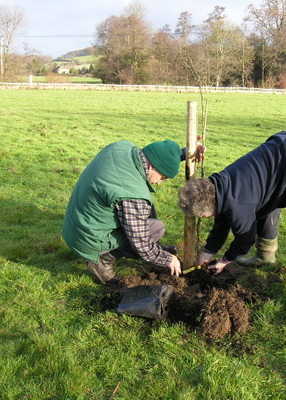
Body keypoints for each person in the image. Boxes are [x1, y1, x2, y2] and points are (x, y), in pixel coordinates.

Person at [62, 139, 204, 284]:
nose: (160, 182)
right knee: (155, 229)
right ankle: (103, 258)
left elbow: (157, 156)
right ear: (151, 167)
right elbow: (141, 244)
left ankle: (152, 249)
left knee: (145, 205)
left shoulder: (123, 147)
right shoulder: (131, 193)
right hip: (86, 239)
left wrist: (187, 153)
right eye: (163, 177)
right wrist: (168, 259)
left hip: (78, 223)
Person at [178, 131, 286, 275]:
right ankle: (265, 256)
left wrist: (225, 260)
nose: (203, 218)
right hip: (278, 148)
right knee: (266, 202)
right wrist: (209, 251)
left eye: (202, 216)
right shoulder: (219, 186)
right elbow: (223, 218)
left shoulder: (238, 204)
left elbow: (246, 239)